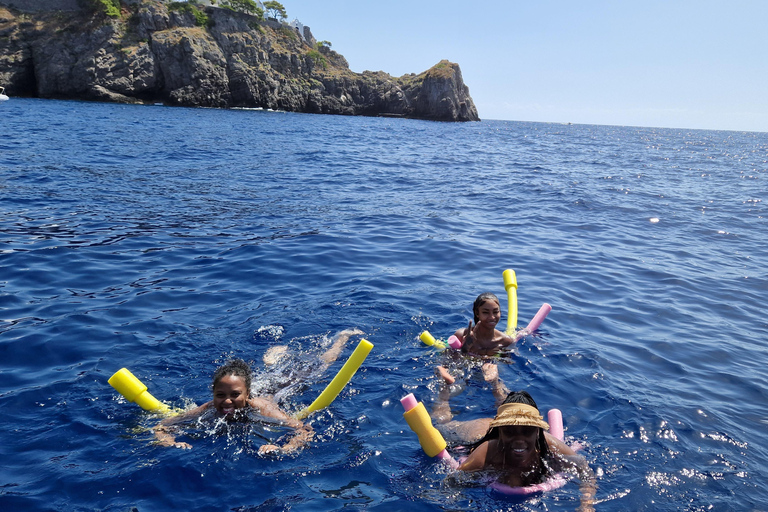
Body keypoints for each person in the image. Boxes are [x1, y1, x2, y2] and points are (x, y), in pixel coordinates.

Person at [153, 328, 363, 454]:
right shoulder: (207, 408)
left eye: (234, 395)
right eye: (220, 395)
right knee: (272, 370)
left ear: (247, 395)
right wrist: (170, 442)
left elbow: (304, 430)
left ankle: (342, 337)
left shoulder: (264, 408)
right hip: (258, 385)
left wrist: (282, 449)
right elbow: (162, 427)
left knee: (321, 364)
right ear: (213, 394)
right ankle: (272, 360)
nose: (226, 402)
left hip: (283, 388)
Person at [433, 390, 596, 511]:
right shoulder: (487, 451)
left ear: (537, 432)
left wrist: (586, 505)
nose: (519, 440)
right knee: (442, 424)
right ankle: (444, 392)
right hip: (474, 432)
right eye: (510, 431)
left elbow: (583, 467)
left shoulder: (549, 445)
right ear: (500, 432)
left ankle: (496, 386)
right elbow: (453, 482)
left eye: (527, 431)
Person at [436, 292, 518, 401]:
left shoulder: (505, 341)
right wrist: (465, 347)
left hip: (488, 371)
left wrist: (494, 366)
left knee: (501, 390)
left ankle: (498, 392)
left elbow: (509, 363)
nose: (492, 317)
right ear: (477, 313)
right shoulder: (462, 335)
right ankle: (442, 402)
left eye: (495, 312)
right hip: (464, 367)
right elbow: (449, 358)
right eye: (485, 312)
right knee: (450, 381)